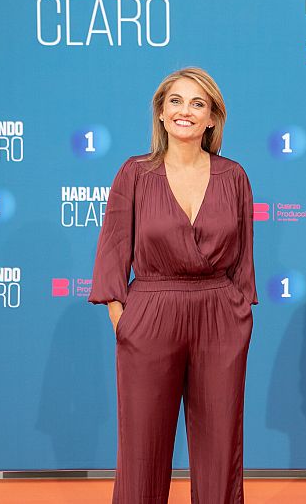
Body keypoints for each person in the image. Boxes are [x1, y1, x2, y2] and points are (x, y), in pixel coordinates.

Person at [89, 67, 257, 504]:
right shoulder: (135, 173)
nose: (186, 111)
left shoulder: (233, 176)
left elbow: (243, 259)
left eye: (198, 103)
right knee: (142, 447)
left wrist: (239, 311)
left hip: (220, 314)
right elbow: (113, 247)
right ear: (161, 114)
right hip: (150, 309)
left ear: (212, 119)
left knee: (221, 445)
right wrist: (121, 318)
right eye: (176, 101)